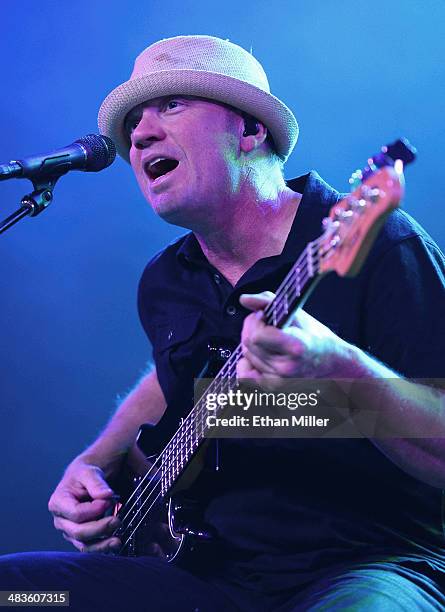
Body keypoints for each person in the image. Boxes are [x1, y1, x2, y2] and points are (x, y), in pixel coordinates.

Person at [0, 34, 444, 611]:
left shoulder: (382, 245)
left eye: (171, 105)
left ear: (251, 131)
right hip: (209, 576)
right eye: (133, 120)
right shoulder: (167, 282)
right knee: (22, 592)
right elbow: (171, 381)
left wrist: (339, 369)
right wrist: (94, 461)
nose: (139, 134)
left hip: (369, 566)